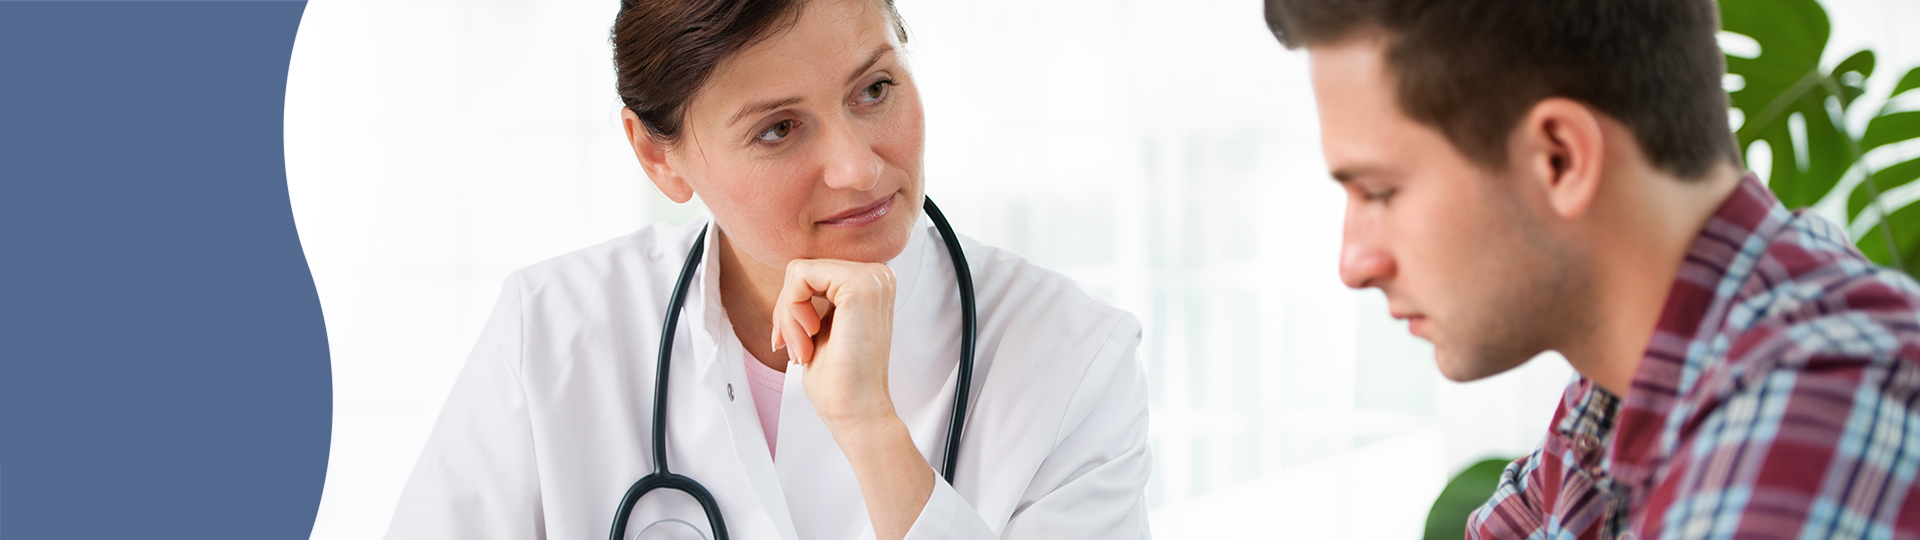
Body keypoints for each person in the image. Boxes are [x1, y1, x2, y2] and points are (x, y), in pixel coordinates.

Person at [383, 0, 1152, 538]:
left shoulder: (1072, 358)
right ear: (659, 156)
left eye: (874, 89)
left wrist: (871, 431)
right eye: (779, 129)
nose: (856, 167)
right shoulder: (552, 330)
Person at [1261, 0, 1920, 538]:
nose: (1354, 263)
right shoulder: (1623, 385)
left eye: (1379, 192)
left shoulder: (1813, 416)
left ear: (1560, 159)